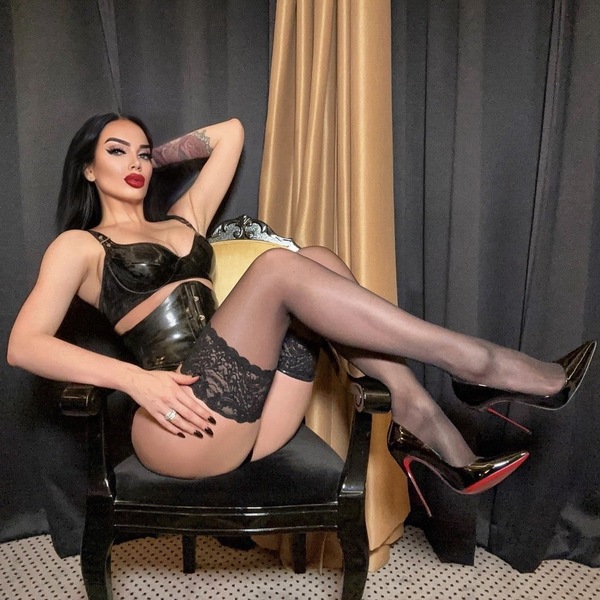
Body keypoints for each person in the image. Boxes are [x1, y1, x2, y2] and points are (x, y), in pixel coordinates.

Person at [7, 113, 595, 517]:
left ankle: (416, 408)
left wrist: (151, 158)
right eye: (115, 152)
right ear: (87, 168)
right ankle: (475, 365)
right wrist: (136, 380)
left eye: (142, 153)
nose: (135, 163)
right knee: (279, 268)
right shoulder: (79, 247)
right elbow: (24, 344)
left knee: (314, 259)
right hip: (181, 428)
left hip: (258, 418)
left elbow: (230, 134)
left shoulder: (184, 218)